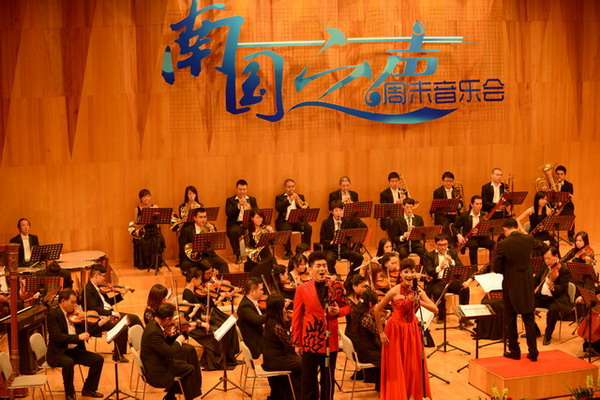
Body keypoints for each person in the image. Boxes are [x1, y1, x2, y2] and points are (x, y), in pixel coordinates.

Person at [374, 258, 438, 400]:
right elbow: (377, 310)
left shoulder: (418, 291)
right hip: (395, 330)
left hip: (412, 330)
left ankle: (411, 394)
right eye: (406, 272)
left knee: (412, 365)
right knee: (397, 365)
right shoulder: (394, 291)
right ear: (401, 274)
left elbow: (435, 309)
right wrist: (381, 332)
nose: (409, 275)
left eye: (412, 272)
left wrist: (418, 301)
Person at [292, 251, 350, 400]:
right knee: (308, 382)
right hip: (310, 342)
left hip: (330, 342)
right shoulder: (302, 289)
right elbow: (296, 317)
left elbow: (347, 307)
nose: (322, 269)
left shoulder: (335, 286)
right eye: (318, 266)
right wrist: (297, 342)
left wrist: (338, 312)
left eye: (324, 265)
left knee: (328, 381)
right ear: (310, 269)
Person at [47, 289, 108, 400]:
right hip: (58, 353)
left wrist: (99, 324)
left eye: (75, 302)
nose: (74, 305)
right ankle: (69, 394)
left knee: (98, 360)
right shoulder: (53, 315)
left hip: (73, 350)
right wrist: (78, 337)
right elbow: (57, 337)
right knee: (68, 363)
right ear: (63, 301)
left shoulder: (75, 315)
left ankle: (89, 389)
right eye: (72, 302)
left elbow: (86, 332)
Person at [493, 218, 539, 361]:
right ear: (517, 227)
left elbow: (497, 268)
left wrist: (509, 270)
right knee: (528, 318)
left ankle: (514, 350)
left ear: (506, 229)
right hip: (527, 284)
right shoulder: (529, 239)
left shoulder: (503, 244)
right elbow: (541, 247)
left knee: (511, 318)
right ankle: (533, 352)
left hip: (511, 285)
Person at [142, 284, 203, 386]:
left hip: (163, 344)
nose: (166, 301)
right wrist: (177, 337)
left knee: (190, 349)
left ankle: (193, 385)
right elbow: (162, 337)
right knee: (187, 351)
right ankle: (188, 386)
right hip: (159, 353)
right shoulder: (150, 315)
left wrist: (180, 330)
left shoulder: (159, 311)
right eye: (164, 298)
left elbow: (165, 331)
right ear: (157, 298)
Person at [141, 303, 202, 400]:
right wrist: (178, 341)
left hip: (158, 361)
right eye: (172, 318)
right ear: (167, 319)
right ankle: (187, 397)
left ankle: (170, 396)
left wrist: (183, 333)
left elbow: (164, 343)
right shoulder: (153, 332)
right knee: (189, 369)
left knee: (185, 360)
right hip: (157, 370)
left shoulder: (153, 324)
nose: (173, 320)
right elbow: (169, 351)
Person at [182, 267, 239, 370]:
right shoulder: (187, 293)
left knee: (221, 330)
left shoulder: (190, 291)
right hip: (194, 327)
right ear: (194, 279)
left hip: (198, 322)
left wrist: (203, 317)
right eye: (199, 279)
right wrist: (202, 322)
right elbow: (188, 315)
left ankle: (225, 359)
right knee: (217, 333)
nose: (201, 282)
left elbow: (196, 313)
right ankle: (215, 362)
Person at [85, 264, 143, 362]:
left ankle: (145, 343)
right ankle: (118, 354)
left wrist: (121, 295)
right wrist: (111, 313)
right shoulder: (88, 290)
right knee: (122, 325)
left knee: (134, 318)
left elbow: (108, 303)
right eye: (103, 276)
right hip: (100, 319)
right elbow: (94, 309)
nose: (105, 279)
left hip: (109, 313)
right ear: (97, 276)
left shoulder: (99, 288)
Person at [423, 234, 471, 325]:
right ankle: (441, 316)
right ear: (435, 245)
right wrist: (439, 268)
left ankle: (464, 316)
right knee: (437, 292)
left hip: (451, 280)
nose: (443, 247)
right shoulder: (429, 255)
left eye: (445, 244)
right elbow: (429, 271)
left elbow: (461, 267)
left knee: (465, 289)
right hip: (438, 281)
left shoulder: (452, 252)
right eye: (440, 245)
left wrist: (452, 262)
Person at [263, 293, 302, 400]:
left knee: (299, 361)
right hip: (275, 361)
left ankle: (291, 395)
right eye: (283, 307)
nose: (285, 310)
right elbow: (290, 343)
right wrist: (293, 324)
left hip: (271, 359)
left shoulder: (270, 320)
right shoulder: (275, 325)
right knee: (303, 364)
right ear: (278, 309)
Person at [534, 247, 573, 345]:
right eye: (545, 258)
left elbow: (562, 288)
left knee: (553, 310)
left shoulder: (564, 270)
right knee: (526, 305)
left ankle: (548, 335)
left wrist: (553, 287)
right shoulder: (545, 265)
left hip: (556, 299)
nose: (546, 261)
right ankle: (534, 330)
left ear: (556, 256)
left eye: (549, 258)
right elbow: (537, 279)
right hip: (542, 297)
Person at [319, 201, 365, 276]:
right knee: (329, 260)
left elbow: (352, 233)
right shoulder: (326, 223)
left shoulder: (346, 221)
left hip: (343, 248)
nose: (338, 213)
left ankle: (351, 276)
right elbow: (322, 240)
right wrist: (331, 242)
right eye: (336, 211)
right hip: (332, 249)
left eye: (340, 210)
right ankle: (334, 276)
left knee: (359, 258)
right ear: (331, 212)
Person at [178, 208, 229, 274]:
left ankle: (225, 280)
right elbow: (183, 246)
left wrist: (213, 231)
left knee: (223, 264)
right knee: (206, 265)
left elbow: (215, 243)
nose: (203, 220)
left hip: (208, 254)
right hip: (194, 257)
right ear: (195, 218)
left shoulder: (211, 227)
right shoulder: (187, 230)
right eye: (200, 217)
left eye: (205, 217)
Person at [349, 289, 381, 392]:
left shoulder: (357, 311)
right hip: (365, 352)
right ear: (371, 304)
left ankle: (379, 385)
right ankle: (382, 386)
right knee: (388, 355)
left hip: (360, 348)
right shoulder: (366, 319)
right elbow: (379, 333)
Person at [275, 179, 312, 260]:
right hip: (285, 221)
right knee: (285, 230)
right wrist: (289, 201)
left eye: (292, 187)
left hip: (298, 221)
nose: (291, 189)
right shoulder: (279, 197)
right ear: (285, 188)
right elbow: (279, 208)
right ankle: (288, 251)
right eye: (288, 187)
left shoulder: (300, 196)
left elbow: (306, 208)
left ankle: (305, 249)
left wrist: (301, 204)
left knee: (308, 227)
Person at [453, 195, 495, 266]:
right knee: (473, 245)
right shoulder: (465, 215)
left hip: (482, 238)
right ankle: (474, 267)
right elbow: (454, 226)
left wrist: (482, 231)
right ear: (472, 204)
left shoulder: (484, 215)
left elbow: (489, 229)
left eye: (480, 204)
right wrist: (459, 235)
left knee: (494, 245)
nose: (479, 206)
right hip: (470, 238)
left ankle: (492, 266)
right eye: (477, 204)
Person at [130, 189, 166, 270]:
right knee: (142, 242)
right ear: (141, 198)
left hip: (153, 230)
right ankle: (145, 263)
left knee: (158, 240)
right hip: (143, 230)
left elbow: (158, 221)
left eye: (148, 196)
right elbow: (135, 222)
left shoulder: (155, 207)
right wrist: (139, 227)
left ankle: (155, 263)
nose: (147, 198)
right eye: (144, 197)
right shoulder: (137, 209)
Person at [225, 179, 258, 264]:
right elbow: (228, 213)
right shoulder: (230, 200)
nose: (242, 192)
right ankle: (238, 255)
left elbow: (257, 213)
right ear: (236, 189)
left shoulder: (252, 200)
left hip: (249, 223)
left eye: (244, 189)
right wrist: (238, 205)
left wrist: (250, 208)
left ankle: (253, 254)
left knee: (255, 231)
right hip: (236, 224)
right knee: (233, 232)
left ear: (247, 189)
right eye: (240, 189)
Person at [236, 277, 267, 359]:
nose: (263, 292)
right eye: (261, 290)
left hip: (259, 336)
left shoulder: (251, 301)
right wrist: (273, 312)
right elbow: (257, 320)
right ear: (252, 291)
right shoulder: (245, 306)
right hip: (255, 343)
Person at [387, 198, 425, 263]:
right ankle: (404, 267)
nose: (409, 210)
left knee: (424, 253)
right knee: (403, 253)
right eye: (407, 207)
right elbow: (393, 238)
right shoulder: (397, 220)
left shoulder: (419, 219)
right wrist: (403, 237)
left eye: (411, 207)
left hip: (415, 243)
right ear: (403, 206)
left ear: (414, 207)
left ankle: (422, 267)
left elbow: (423, 234)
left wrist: (416, 231)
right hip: (403, 244)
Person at [432, 171, 463, 244]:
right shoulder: (438, 192)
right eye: (446, 181)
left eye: (450, 181)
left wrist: (460, 205)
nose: (448, 183)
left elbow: (461, 201)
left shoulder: (456, 190)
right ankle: (449, 243)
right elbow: (437, 206)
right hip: (443, 214)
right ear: (443, 181)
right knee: (445, 223)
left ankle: (460, 241)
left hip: (454, 213)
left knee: (462, 220)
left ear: (453, 181)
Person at [243, 209, 275, 275]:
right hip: (254, 255)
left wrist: (271, 232)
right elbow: (248, 246)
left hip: (265, 253)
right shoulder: (248, 231)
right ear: (252, 218)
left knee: (270, 257)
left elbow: (272, 242)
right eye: (257, 218)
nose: (260, 220)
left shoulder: (265, 229)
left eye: (261, 217)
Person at [555, 165, 575, 241]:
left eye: (561, 174)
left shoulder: (569, 185)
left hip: (566, 206)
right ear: (555, 175)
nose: (559, 176)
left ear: (564, 175)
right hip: (554, 207)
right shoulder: (551, 184)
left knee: (571, 216)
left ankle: (571, 235)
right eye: (558, 174)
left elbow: (569, 197)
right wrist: (544, 190)